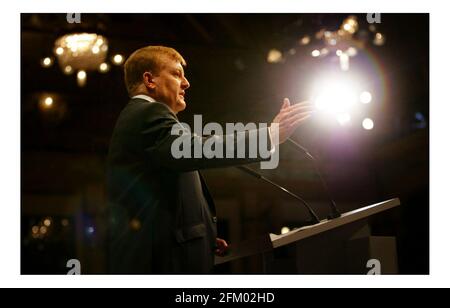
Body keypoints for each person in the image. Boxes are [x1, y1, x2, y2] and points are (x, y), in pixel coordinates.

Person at [106, 45, 313, 274]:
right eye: (176, 74)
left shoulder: (144, 118)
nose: (186, 83)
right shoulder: (147, 113)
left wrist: (205, 236)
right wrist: (271, 135)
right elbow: (196, 149)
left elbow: (161, 194)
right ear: (150, 80)